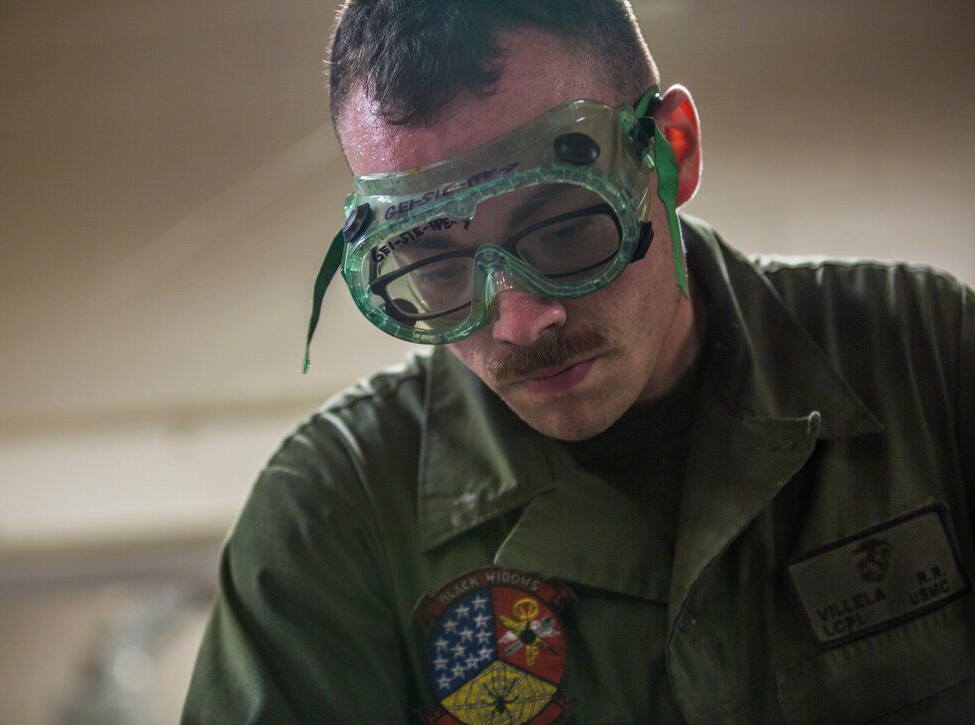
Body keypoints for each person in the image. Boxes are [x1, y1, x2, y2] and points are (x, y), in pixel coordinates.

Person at [183, 1, 975, 722]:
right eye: (436, 269)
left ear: (672, 152)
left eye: (565, 230)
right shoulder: (335, 517)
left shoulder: (925, 361)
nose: (521, 322)